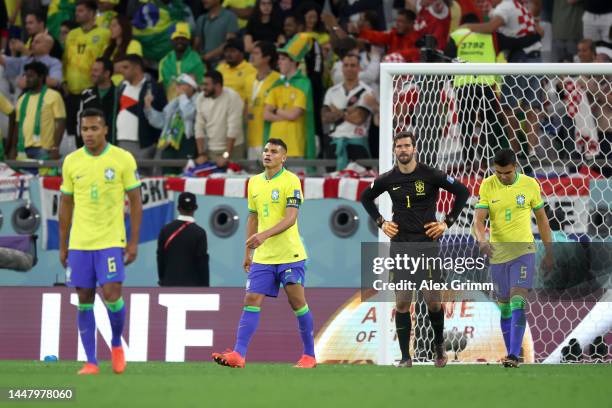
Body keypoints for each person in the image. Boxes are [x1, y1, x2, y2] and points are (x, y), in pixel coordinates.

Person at [360, 131, 469, 367]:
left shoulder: (431, 174)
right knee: (401, 303)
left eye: (407, 145)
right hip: (400, 245)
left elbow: (462, 192)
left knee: (432, 301)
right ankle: (405, 357)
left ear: (414, 148)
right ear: (395, 150)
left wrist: (446, 223)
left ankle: (439, 347)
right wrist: (381, 222)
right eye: (399, 146)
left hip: (427, 245)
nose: (403, 150)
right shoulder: (388, 178)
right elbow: (365, 197)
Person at [212, 138, 316, 369]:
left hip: (290, 254)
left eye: (274, 151)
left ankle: (309, 355)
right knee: (251, 299)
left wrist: (264, 235)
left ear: (284, 157)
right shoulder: (254, 182)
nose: (268, 154)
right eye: (266, 150)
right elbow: (253, 218)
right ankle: (239, 355)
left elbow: (290, 219)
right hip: (264, 257)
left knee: (297, 302)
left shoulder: (291, 181)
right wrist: (248, 251)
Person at [58, 107, 143, 375]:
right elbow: (66, 204)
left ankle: (116, 344)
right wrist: (63, 245)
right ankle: (91, 361)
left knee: (111, 295)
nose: (89, 134)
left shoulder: (122, 159)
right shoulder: (71, 161)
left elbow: (137, 201)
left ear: (105, 129)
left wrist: (132, 242)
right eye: (85, 129)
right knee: (84, 297)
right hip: (80, 242)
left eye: (94, 128)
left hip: (110, 239)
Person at [473, 148, 553, 368]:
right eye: (498, 172)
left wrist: (549, 252)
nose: (502, 177)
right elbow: (479, 221)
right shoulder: (488, 184)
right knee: (505, 306)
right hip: (498, 254)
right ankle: (511, 353)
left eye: (507, 173)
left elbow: (543, 221)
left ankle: (514, 355)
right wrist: (482, 240)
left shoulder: (530, 185)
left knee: (518, 301)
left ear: (515, 167)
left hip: (523, 251)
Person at [63, 0, 111, 146]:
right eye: (77, 11)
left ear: (91, 13)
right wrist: (64, 80)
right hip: (71, 89)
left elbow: (106, 59)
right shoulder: (72, 34)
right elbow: (66, 59)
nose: (77, 14)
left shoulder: (104, 33)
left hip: (91, 89)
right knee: (73, 129)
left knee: (91, 126)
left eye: (81, 11)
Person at [263, 36, 316, 159]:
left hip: (294, 146)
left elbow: (294, 115)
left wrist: (276, 110)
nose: (279, 62)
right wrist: (285, 115)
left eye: (283, 59)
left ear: (293, 61)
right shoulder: (275, 85)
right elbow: (266, 115)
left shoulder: (304, 84)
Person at [322, 53, 373, 170]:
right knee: (332, 184)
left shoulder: (367, 92)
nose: (349, 68)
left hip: (357, 144)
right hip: (335, 145)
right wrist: (348, 111)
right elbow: (325, 117)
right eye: (346, 65)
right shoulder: (332, 91)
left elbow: (359, 119)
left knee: (361, 185)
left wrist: (337, 111)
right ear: (342, 68)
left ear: (359, 68)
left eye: (353, 65)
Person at [115, 54, 166, 164]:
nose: (121, 71)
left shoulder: (153, 88)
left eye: (125, 67)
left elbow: (162, 115)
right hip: (121, 140)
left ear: (137, 68)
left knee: (142, 176)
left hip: (144, 143)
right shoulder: (121, 87)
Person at [10, 61, 66, 160]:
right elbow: (18, 125)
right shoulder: (22, 99)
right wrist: (13, 148)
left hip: (44, 149)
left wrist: (55, 147)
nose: (27, 79)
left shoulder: (53, 96)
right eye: (25, 76)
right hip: (22, 150)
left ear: (41, 77)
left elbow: (61, 123)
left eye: (31, 76)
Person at [145, 73, 199, 174]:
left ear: (191, 87)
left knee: (185, 173)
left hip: (188, 141)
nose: (177, 87)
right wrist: (149, 108)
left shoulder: (199, 100)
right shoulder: (174, 102)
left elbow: (188, 114)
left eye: (181, 84)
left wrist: (183, 96)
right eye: (177, 84)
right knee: (168, 173)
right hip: (169, 142)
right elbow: (161, 122)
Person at [157, 192, 209, 286]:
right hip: (193, 287)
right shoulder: (200, 233)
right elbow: (202, 263)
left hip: (169, 285)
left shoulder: (165, 230)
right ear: (195, 208)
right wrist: (205, 286)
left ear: (178, 208)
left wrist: (162, 279)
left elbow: (160, 258)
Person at [194, 70, 245, 164]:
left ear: (217, 85)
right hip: (211, 149)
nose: (203, 88)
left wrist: (226, 155)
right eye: (202, 84)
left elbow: (233, 128)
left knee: (234, 177)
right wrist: (201, 154)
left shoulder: (232, 97)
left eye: (206, 85)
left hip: (234, 149)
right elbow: (199, 127)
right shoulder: (200, 98)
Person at [245, 41, 280, 159]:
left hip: (268, 138)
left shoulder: (277, 80)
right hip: (250, 138)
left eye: (256, 53)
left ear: (267, 58)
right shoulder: (248, 79)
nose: (252, 56)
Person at [158, 22, 205, 102]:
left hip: (192, 105)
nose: (179, 41)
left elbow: (202, 86)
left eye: (183, 38)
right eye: (176, 38)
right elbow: (162, 86)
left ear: (188, 40)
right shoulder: (164, 62)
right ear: (172, 41)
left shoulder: (197, 60)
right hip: (171, 106)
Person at [77, 58, 116, 144]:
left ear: (106, 73)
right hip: (89, 146)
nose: (92, 74)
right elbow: (79, 121)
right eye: (92, 70)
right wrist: (80, 145)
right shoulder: (86, 95)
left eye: (96, 71)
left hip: (112, 146)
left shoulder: (118, 94)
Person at [194, 0, 239, 68]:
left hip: (223, 64)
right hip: (204, 65)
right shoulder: (201, 19)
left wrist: (208, 56)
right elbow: (197, 44)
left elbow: (230, 43)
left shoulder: (230, 17)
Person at [102, 15, 143, 85]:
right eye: (110, 26)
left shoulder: (134, 44)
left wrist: (110, 68)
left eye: (114, 26)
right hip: (108, 86)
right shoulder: (107, 47)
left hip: (125, 86)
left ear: (123, 27)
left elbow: (131, 67)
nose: (110, 28)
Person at [216, 38, 256, 103]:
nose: (228, 54)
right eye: (226, 51)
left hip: (239, 109)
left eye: (232, 51)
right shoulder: (220, 68)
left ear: (242, 53)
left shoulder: (251, 69)